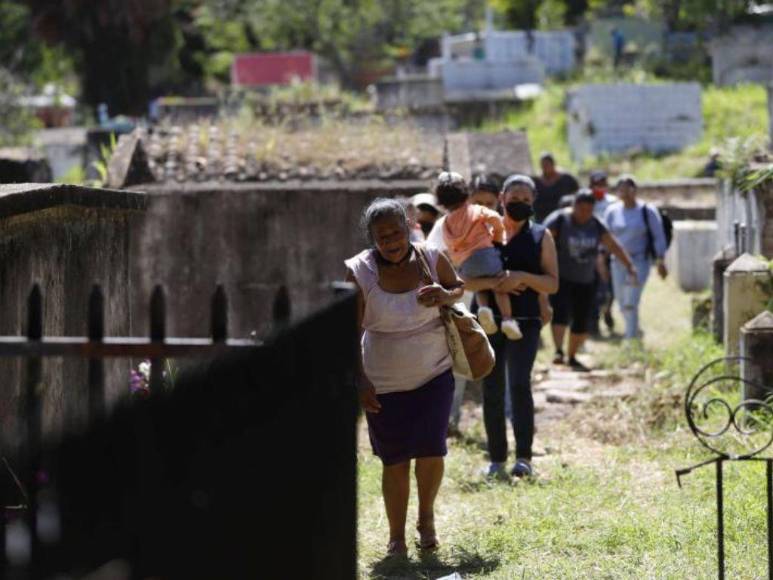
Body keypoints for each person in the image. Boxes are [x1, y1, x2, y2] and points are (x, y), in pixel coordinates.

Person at [345, 198, 464, 556]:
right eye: (383, 237)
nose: (392, 241)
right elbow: (347, 333)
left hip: (434, 373)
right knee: (394, 459)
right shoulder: (359, 272)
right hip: (383, 382)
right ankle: (396, 536)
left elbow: (458, 287)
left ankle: (426, 521)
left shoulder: (430, 257)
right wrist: (361, 380)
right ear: (372, 239)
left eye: (396, 232)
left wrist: (445, 294)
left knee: (431, 450)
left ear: (408, 227)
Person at [462, 175, 558, 479]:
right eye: (514, 198)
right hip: (488, 320)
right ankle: (496, 459)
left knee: (519, 384)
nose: (520, 203)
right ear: (502, 198)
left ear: (533, 202)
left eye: (526, 200)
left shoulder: (542, 236)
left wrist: (522, 277)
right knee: (491, 387)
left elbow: (552, 283)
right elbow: (463, 279)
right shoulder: (483, 232)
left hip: (526, 321)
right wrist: (494, 282)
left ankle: (524, 458)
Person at [545, 190, 637, 371]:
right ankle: (558, 351)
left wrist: (629, 265)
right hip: (561, 277)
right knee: (560, 314)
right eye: (581, 209)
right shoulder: (560, 220)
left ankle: (572, 356)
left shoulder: (595, 224)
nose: (584, 214)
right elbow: (541, 241)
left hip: (586, 279)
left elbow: (613, 245)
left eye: (589, 210)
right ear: (574, 206)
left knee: (581, 318)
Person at [435, 171, 521, 340]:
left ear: (500, 200)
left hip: (506, 307)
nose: (485, 207)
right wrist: (495, 282)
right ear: (467, 199)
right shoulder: (447, 224)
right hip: (466, 311)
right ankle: (507, 318)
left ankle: (494, 313)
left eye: (490, 203)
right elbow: (448, 276)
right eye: (479, 202)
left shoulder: (513, 228)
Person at [603, 175, 669, 340]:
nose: (625, 192)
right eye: (621, 188)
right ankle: (633, 328)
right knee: (620, 300)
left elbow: (658, 236)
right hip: (617, 262)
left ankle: (631, 338)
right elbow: (605, 236)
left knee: (631, 301)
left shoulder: (647, 211)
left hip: (639, 261)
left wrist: (661, 260)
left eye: (628, 188)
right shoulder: (612, 211)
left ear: (635, 190)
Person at [589, 171, 618, 335]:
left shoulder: (613, 203)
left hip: (610, 251)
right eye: (596, 185)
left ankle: (608, 310)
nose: (600, 188)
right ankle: (594, 321)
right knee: (594, 289)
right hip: (591, 252)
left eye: (603, 185)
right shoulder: (586, 202)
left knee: (611, 288)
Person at [533, 153, 580, 223]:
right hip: (542, 219)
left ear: (553, 164)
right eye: (543, 165)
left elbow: (577, 194)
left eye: (547, 165)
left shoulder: (567, 178)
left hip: (565, 219)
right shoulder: (536, 181)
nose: (545, 167)